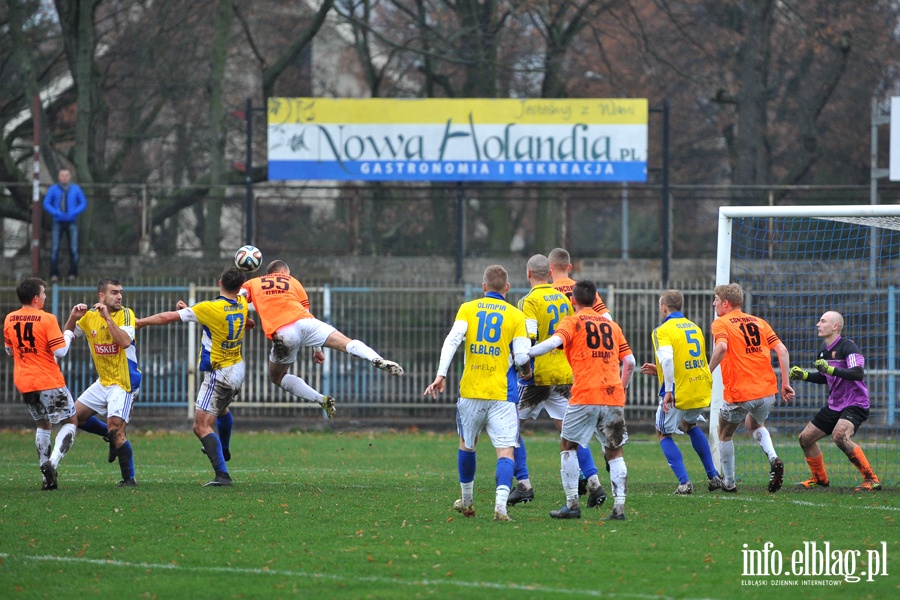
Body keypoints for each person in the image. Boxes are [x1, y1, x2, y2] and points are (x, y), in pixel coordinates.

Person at [423, 265, 531, 522]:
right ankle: (501, 507)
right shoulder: (516, 316)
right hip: (502, 395)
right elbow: (523, 357)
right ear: (507, 289)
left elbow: (452, 339)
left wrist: (441, 374)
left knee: (467, 445)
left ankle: (468, 501)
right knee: (506, 452)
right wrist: (525, 370)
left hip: (471, 391)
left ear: (483, 287)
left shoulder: (468, 308)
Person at [241, 260, 403, 419]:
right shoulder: (293, 281)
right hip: (306, 322)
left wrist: (245, 317)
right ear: (284, 273)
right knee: (345, 342)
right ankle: (376, 359)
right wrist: (317, 349)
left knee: (277, 377)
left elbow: (239, 297)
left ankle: (321, 399)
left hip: (283, 332)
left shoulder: (254, 283)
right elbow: (305, 309)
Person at [529, 280, 635, 520]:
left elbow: (554, 342)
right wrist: (622, 388)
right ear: (595, 300)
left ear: (572, 300)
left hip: (585, 394)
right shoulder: (612, 326)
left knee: (568, 445)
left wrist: (527, 353)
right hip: (612, 395)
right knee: (615, 452)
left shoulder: (573, 320)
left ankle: (572, 505)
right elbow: (630, 362)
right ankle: (619, 509)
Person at [136, 267, 252, 487]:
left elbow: (168, 317)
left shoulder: (210, 307)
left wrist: (141, 322)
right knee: (222, 410)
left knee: (200, 426)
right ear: (239, 287)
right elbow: (230, 311)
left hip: (220, 373)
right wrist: (190, 310)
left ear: (220, 283)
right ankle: (224, 449)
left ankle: (222, 475)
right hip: (237, 367)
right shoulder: (242, 302)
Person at [508, 255, 605, 509]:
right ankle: (594, 483)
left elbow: (528, 338)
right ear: (548, 273)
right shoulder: (564, 299)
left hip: (538, 375)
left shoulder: (528, 301)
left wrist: (525, 370)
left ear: (529, 273)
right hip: (564, 374)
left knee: (510, 427)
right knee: (571, 432)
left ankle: (524, 484)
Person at [708, 283, 794, 494]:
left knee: (724, 434)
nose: (714, 304)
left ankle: (729, 483)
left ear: (725, 303)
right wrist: (785, 383)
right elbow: (782, 350)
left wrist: (706, 372)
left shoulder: (721, 323)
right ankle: (773, 458)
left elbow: (721, 347)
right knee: (754, 424)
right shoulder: (759, 322)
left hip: (740, 392)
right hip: (767, 391)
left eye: (716, 300)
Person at [639, 290, 722, 495]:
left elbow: (667, 359)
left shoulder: (662, 330)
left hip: (679, 390)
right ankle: (713, 477)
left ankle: (685, 483)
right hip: (701, 385)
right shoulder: (695, 327)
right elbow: (685, 362)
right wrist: (658, 371)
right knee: (689, 424)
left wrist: (668, 390)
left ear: (664, 307)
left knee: (663, 432)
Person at [789, 311, 882, 491]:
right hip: (835, 405)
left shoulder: (848, 347)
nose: (818, 324)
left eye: (822, 321)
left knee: (839, 436)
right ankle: (819, 479)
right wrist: (804, 375)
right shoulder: (823, 352)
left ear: (835, 326)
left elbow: (857, 373)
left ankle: (871, 479)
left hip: (856, 403)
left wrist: (830, 371)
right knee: (805, 439)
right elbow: (826, 377)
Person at [65, 278, 142, 487]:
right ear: (101, 296)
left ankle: (129, 479)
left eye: (121, 292)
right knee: (74, 417)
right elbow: (68, 336)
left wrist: (108, 318)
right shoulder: (90, 317)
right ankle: (110, 436)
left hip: (124, 382)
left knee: (115, 426)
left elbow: (125, 342)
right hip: (104, 382)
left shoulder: (126, 314)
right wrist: (73, 317)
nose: (119, 296)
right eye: (114, 292)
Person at [3, 278, 78, 490]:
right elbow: (61, 351)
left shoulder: (10, 318)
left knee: (43, 424)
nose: (45, 297)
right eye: (43, 294)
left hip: (24, 382)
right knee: (70, 421)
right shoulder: (46, 319)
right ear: (36, 298)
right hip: (48, 379)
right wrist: (69, 334)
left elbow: (9, 350)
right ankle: (51, 464)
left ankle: (47, 481)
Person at [43, 168, 88, 282]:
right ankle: (54, 274)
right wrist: (56, 212)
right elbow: (46, 203)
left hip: (71, 220)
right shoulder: (53, 189)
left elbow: (83, 202)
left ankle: (73, 273)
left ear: (70, 176)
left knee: (73, 248)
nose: (64, 177)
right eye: (62, 175)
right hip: (58, 221)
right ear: (59, 176)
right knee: (55, 248)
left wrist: (75, 212)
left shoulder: (75, 189)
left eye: (66, 175)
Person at [548, 248, 611, 319]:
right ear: (569, 267)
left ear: (549, 268)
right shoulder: (584, 289)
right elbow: (606, 317)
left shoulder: (545, 292)